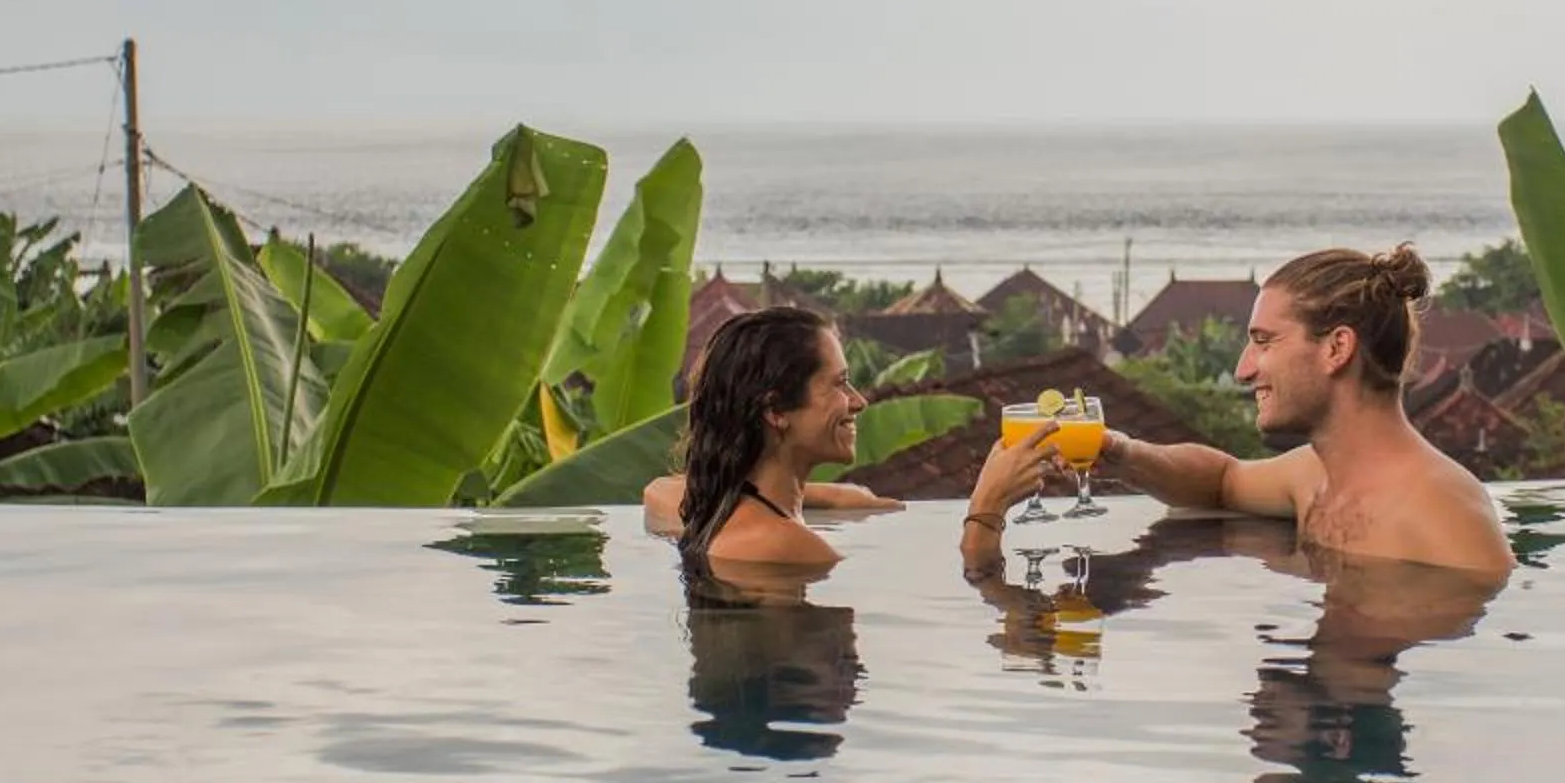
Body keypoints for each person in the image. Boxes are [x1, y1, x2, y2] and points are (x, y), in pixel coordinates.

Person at [1095, 245, 1512, 577]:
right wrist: (1120, 454)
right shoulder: (1313, 475)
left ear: (1336, 349)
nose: (1243, 370)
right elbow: (1222, 479)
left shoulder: (1444, 515)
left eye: (1264, 342)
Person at [648, 304, 1060, 580]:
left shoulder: (704, 509)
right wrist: (988, 508)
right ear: (776, 411)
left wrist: (828, 495)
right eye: (840, 384)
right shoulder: (789, 548)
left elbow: (659, 490)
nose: (859, 402)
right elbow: (968, 591)